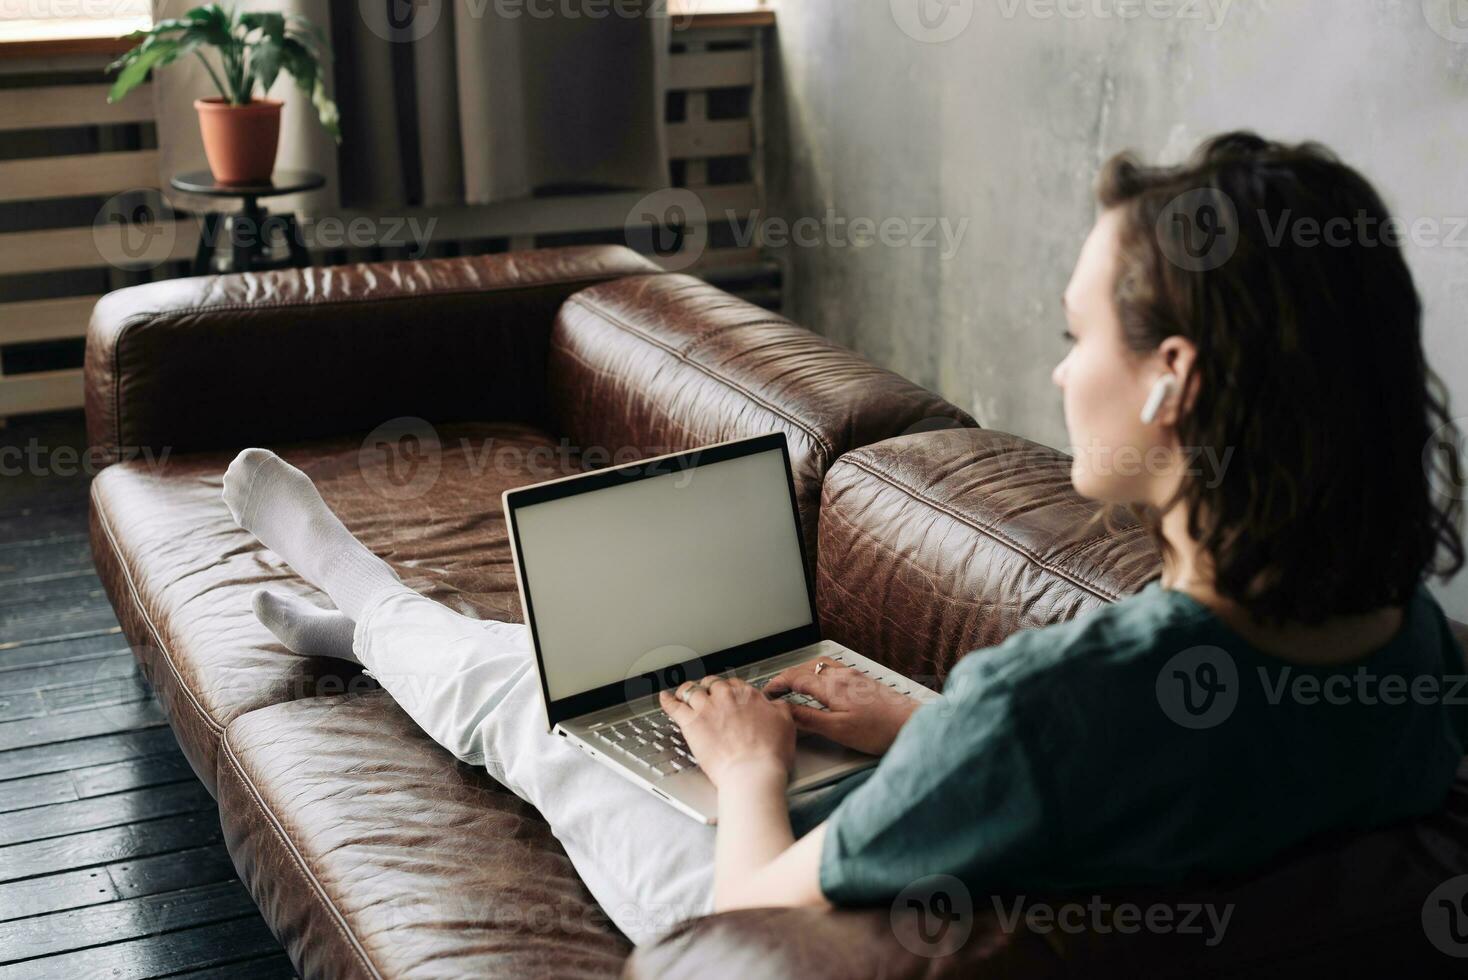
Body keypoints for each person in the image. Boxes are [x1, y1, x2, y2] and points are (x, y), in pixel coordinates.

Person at [223, 132, 1467, 944]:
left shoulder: (1050, 702)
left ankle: (369, 603)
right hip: (952, 834)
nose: (1058, 366)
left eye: (1080, 332)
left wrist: (752, 763)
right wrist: (924, 727)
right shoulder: (1415, 652)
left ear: (1171, 379)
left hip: (748, 913)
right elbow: (1166, 780)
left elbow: (757, 908)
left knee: (535, 708)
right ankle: (380, 624)